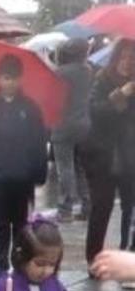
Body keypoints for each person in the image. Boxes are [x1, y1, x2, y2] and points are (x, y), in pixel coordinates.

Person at [0, 54, 49, 280]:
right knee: (0, 225)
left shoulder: (30, 108)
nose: (9, 83)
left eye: (14, 78)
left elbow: (40, 141)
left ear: (20, 79)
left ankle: (20, 265)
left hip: (23, 177)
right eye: (5, 78)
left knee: (21, 226)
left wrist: (39, 173)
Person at [83, 39, 135, 266]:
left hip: (130, 155)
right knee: (101, 208)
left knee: (130, 209)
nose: (127, 62)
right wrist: (121, 94)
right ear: (115, 58)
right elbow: (96, 112)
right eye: (123, 57)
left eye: (132, 58)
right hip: (103, 156)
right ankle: (94, 259)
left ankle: (128, 256)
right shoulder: (102, 80)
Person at [52, 38, 93, 222]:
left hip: (63, 125)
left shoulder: (60, 73)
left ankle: (65, 209)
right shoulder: (89, 71)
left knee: (65, 168)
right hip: (85, 124)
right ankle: (87, 206)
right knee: (82, 168)